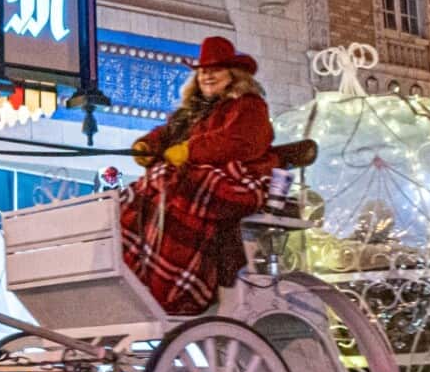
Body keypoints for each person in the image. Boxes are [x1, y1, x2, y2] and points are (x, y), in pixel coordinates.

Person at [121, 36, 306, 315]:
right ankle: (134, 270)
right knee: (137, 193)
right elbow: (166, 134)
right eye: (203, 70)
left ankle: (175, 283)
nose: (207, 75)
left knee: (179, 187)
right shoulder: (190, 113)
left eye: (215, 69)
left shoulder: (249, 105)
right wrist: (148, 146)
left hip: (238, 180)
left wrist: (190, 150)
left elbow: (240, 142)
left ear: (233, 74)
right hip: (199, 177)